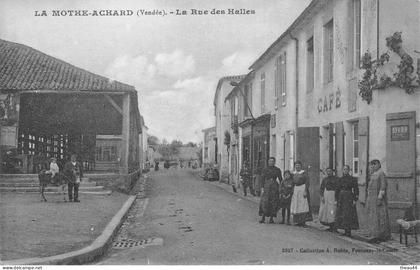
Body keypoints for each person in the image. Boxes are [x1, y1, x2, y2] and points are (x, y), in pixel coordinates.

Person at [365, 159, 391, 242]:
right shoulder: (373, 174)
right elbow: (369, 187)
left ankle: (381, 235)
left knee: (380, 217)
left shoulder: (381, 173)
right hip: (372, 199)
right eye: (372, 164)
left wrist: (380, 198)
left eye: (375, 164)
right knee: (373, 217)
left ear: (379, 165)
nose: (373, 166)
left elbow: (383, 187)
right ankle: (374, 234)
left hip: (378, 199)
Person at [335, 165, 359, 237]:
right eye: (344, 169)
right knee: (341, 213)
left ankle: (348, 231)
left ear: (349, 170)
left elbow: (356, 189)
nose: (345, 171)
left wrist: (355, 199)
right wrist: (336, 199)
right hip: (341, 198)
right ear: (342, 170)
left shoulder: (352, 179)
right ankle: (344, 230)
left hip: (349, 197)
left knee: (348, 214)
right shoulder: (340, 179)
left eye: (347, 169)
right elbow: (337, 189)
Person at [259, 157, 282, 224]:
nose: (271, 162)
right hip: (267, 187)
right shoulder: (265, 169)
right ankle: (263, 217)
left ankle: (271, 218)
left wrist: (281, 188)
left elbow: (281, 179)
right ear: (268, 162)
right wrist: (262, 188)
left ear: (274, 162)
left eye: (272, 161)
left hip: (274, 187)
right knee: (265, 202)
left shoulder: (277, 170)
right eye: (270, 161)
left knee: (273, 202)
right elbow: (262, 179)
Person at [290, 161, 313, 227]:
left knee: (303, 205)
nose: (297, 167)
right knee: (296, 204)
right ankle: (297, 221)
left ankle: (303, 222)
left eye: (299, 165)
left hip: (302, 188)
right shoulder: (293, 174)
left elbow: (307, 182)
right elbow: (292, 182)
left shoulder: (304, 173)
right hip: (296, 189)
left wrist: (305, 190)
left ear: (301, 166)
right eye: (296, 165)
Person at [318, 167, 338, 232]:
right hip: (326, 196)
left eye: (330, 171)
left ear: (332, 172)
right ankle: (330, 226)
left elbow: (338, 188)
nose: (329, 172)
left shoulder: (336, 179)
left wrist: (336, 198)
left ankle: (334, 226)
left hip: (333, 196)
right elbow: (321, 188)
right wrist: (322, 196)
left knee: (333, 211)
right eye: (327, 171)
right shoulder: (325, 179)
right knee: (327, 211)